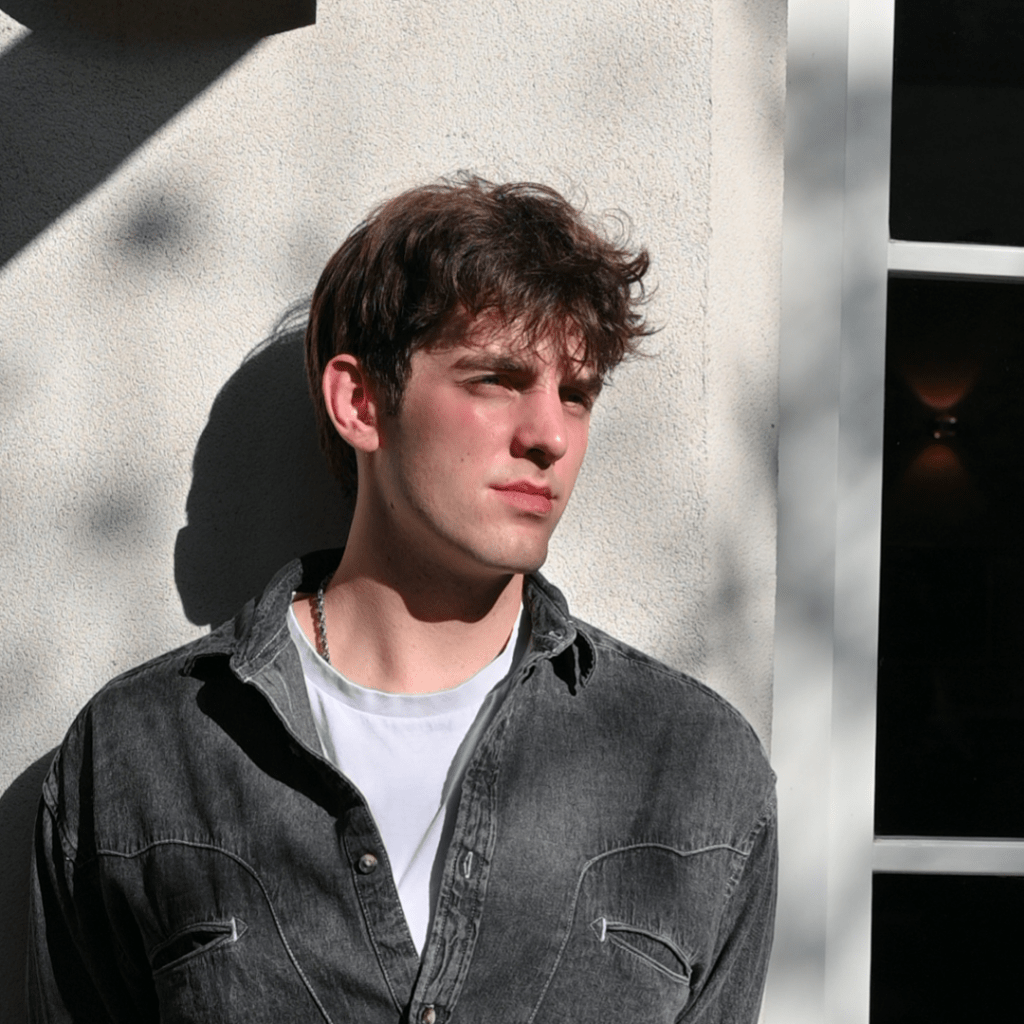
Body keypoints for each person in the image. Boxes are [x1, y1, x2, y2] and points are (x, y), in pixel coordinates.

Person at [28, 178, 777, 1023]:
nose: (552, 435)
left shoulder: (692, 767)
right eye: (496, 380)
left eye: (577, 394)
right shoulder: (144, 757)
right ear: (360, 402)